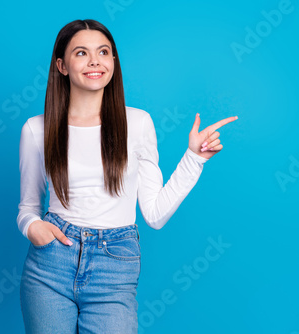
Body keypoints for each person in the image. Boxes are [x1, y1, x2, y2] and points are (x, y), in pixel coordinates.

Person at [17, 19, 238, 334]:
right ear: (62, 65)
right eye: (81, 53)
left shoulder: (138, 123)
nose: (95, 60)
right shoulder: (36, 129)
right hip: (50, 266)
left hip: (114, 263)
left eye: (103, 51)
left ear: (113, 62)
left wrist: (194, 159)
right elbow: (27, 206)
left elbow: (155, 215)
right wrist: (33, 227)